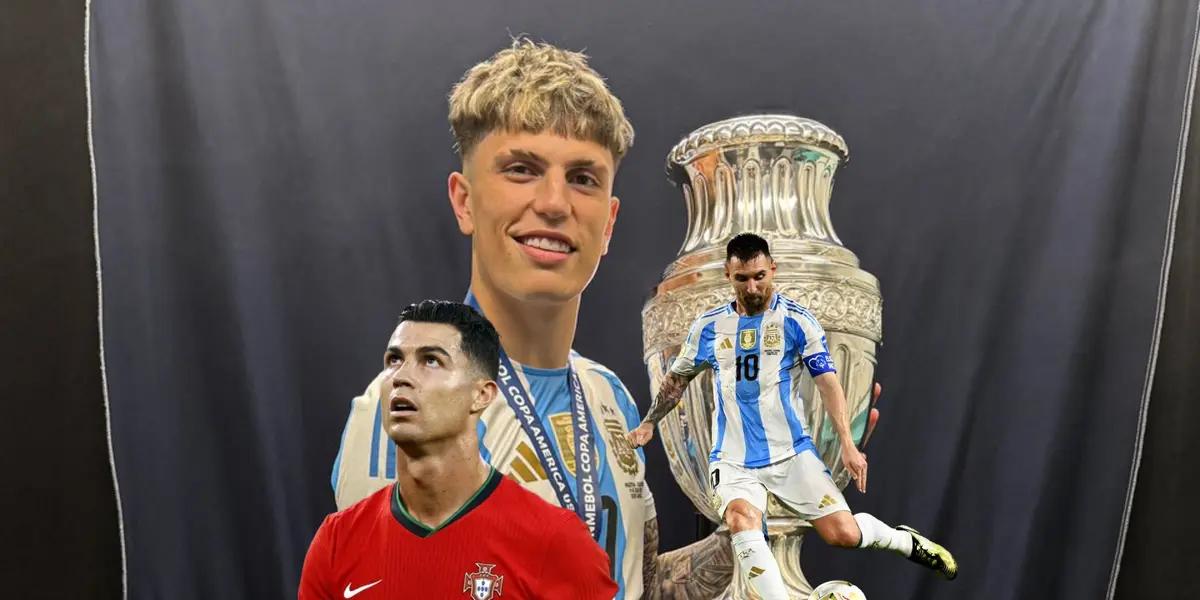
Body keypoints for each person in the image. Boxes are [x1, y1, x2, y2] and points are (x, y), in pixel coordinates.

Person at [330, 39, 735, 599]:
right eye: (521, 170)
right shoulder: (402, 406)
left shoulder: (610, 397)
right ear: (465, 201)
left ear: (609, 222)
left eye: (584, 178)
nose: (553, 203)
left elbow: (634, 587)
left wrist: (758, 521)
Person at [628, 233, 958, 600]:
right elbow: (676, 380)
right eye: (742, 279)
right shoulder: (708, 327)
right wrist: (649, 422)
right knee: (741, 518)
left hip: (792, 454)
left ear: (773, 269)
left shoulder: (797, 321)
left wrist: (847, 444)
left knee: (843, 534)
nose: (752, 287)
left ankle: (904, 540)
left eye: (759, 276)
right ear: (728, 275)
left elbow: (829, 384)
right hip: (733, 460)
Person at [301, 301, 616, 599]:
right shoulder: (337, 541)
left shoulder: (556, 541)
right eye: (394, 360)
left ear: (481, 395)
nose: (401, 377)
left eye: (431, 360)